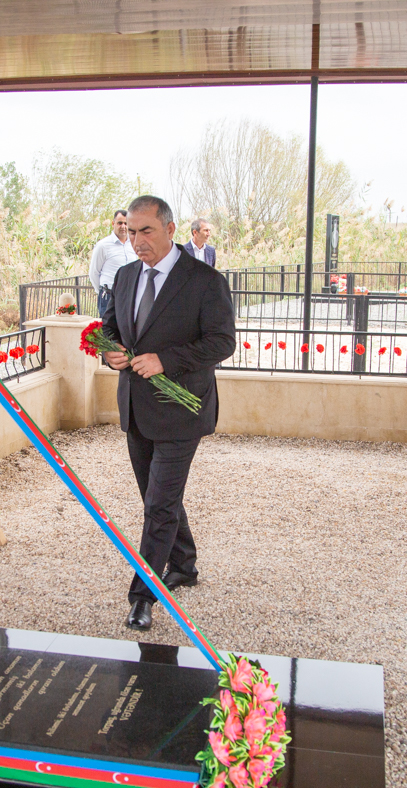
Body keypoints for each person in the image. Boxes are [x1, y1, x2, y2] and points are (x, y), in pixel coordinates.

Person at [100, 196, 235, 631]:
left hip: (182, 411)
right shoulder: (123, 277)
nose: (137, 240)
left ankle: (144, 595)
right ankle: (183, 564)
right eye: (131, 231)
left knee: (158, 505)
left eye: (147, 231)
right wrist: (111, 354)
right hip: (137, 410)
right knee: (158, 499)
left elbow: (222, 342)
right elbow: (108, 330)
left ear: (171, 229)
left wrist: (165, 360)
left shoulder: (204, 281)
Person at [88, 210, 136, 318]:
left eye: (126, 223)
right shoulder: (103, 245)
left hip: (130, 297)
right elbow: (94, 273)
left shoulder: (134, 244)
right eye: (120, 223)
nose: (123, 226)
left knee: (128, 332)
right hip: (109, 297)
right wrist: (103, 291)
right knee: (108, 332)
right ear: (113, 224)